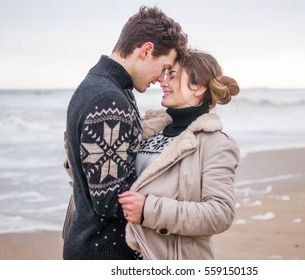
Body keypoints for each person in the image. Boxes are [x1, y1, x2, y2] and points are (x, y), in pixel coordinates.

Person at [63, 6, 188, 260]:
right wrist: (178, 201)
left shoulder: (102, 85)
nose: (161, 78)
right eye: (163, 67)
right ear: (146, 50)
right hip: (103, 251)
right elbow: (109, 198)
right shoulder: (109, 101)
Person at [118, 50, 240, 259]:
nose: (163, 82)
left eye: (172, 76)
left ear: (198, 87)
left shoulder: (216, 144)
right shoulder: (145, 131)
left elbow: (220, 213)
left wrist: (149, 210)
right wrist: (79, 156)